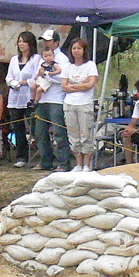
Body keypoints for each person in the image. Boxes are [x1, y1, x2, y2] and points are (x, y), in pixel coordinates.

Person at [32, 29, 71, 171]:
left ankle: (63, 163)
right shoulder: (42, 58)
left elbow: (63, 78)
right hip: (42, 99)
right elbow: (37, 75)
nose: (45, 43)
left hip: (56, 99)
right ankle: (45, 161)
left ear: (56, 42)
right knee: (40, 132)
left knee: (59, 132)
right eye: (44, 41)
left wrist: (47, 76)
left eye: (48, 41)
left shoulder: (62, 59)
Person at [61, 38, 99, 172]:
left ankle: (87, 164)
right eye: (74, 48)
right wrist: (80, 86)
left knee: (85, 134)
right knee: (73, 134)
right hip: (70, 104)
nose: (76, 51)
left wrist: (74, 85)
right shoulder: (67, 66)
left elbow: (90, 84)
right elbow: (64, 86)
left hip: (85, 104)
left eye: (79, 48)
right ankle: (78, 164)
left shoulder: (90, 65)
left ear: (84, 50)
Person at [5, 31, 41, 168]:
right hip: (14, 98)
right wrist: (12, 82)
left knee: (34, 127)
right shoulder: (14, 59)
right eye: (19, 41)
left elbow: (36, 77)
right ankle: (21, 156)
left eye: (24, 41)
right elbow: (9, 76)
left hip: (29, 97)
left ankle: (41, 154)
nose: (21, 44)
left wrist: (23, 82)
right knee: (18, 127)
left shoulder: (36, 59)